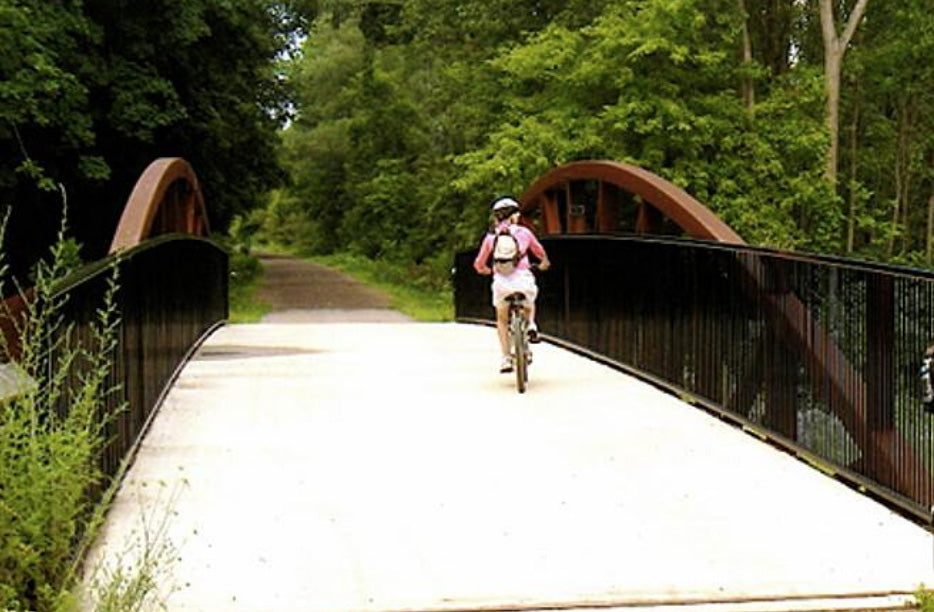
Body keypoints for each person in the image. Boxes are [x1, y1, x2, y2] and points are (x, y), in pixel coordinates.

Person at [473, 196, 551, 373]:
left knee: (501, 319)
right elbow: (539, 252)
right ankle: (531, 324)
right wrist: (544, 262)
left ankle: (506, 358)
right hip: (523, 279)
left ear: (496, 217)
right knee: (530, 301)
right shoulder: (524, 233)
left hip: (502, 283)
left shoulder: (491, 237)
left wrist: (487, 271)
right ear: (515, 216)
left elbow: (478, 264)